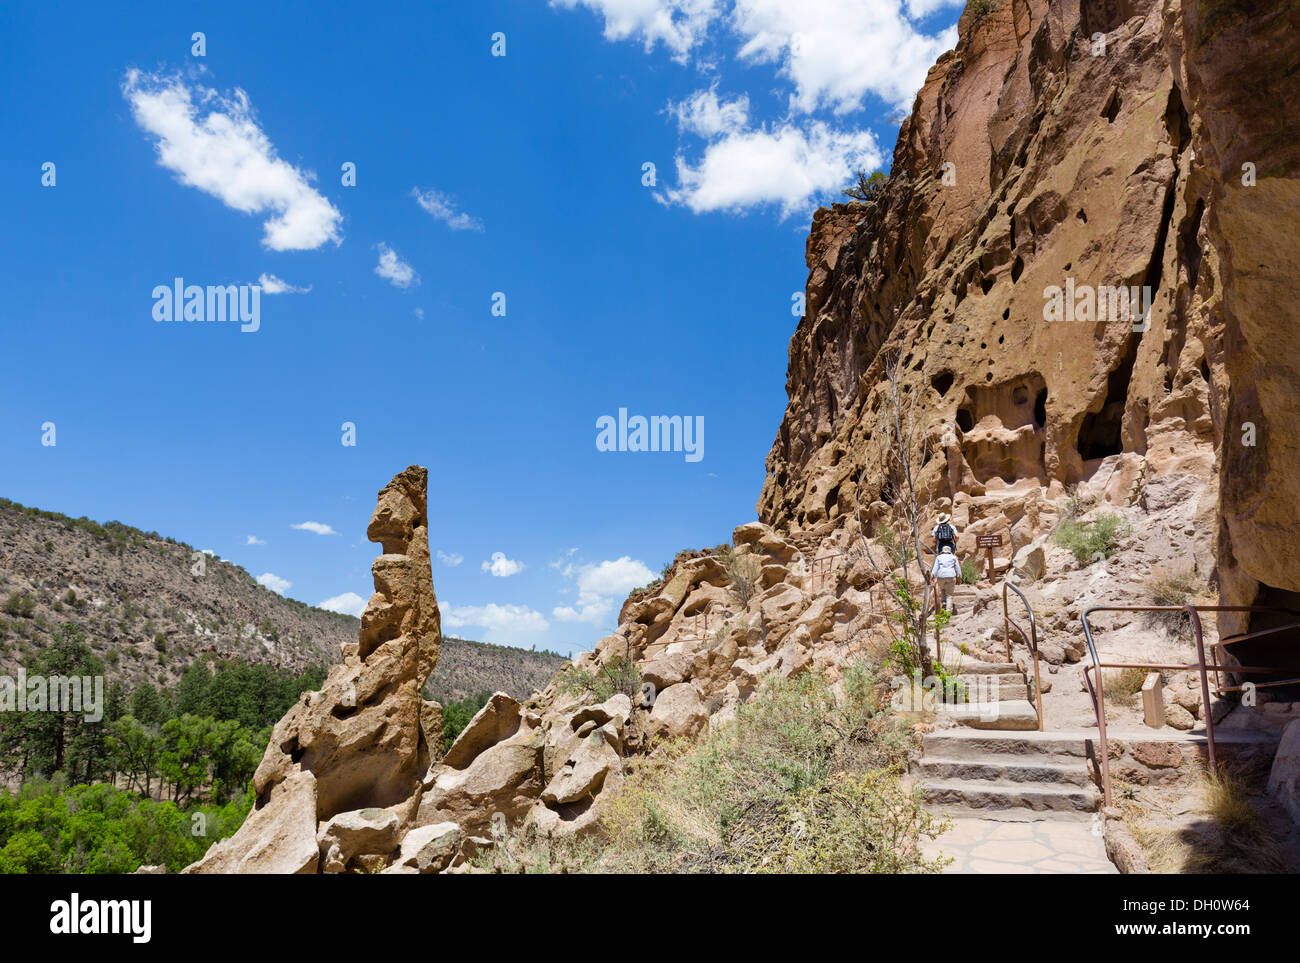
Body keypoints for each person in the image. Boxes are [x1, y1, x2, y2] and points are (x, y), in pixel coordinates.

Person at [931, 545, 961, 614]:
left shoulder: (939, 557)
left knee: (942, 590)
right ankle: (948, 611)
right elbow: (957, 568)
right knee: (949, 595)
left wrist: (932, 576)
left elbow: (935, 568)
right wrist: (959, 578)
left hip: (941, 576)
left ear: (943, 551)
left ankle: (944, 603)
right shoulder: (953, 557)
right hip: (951, 576)